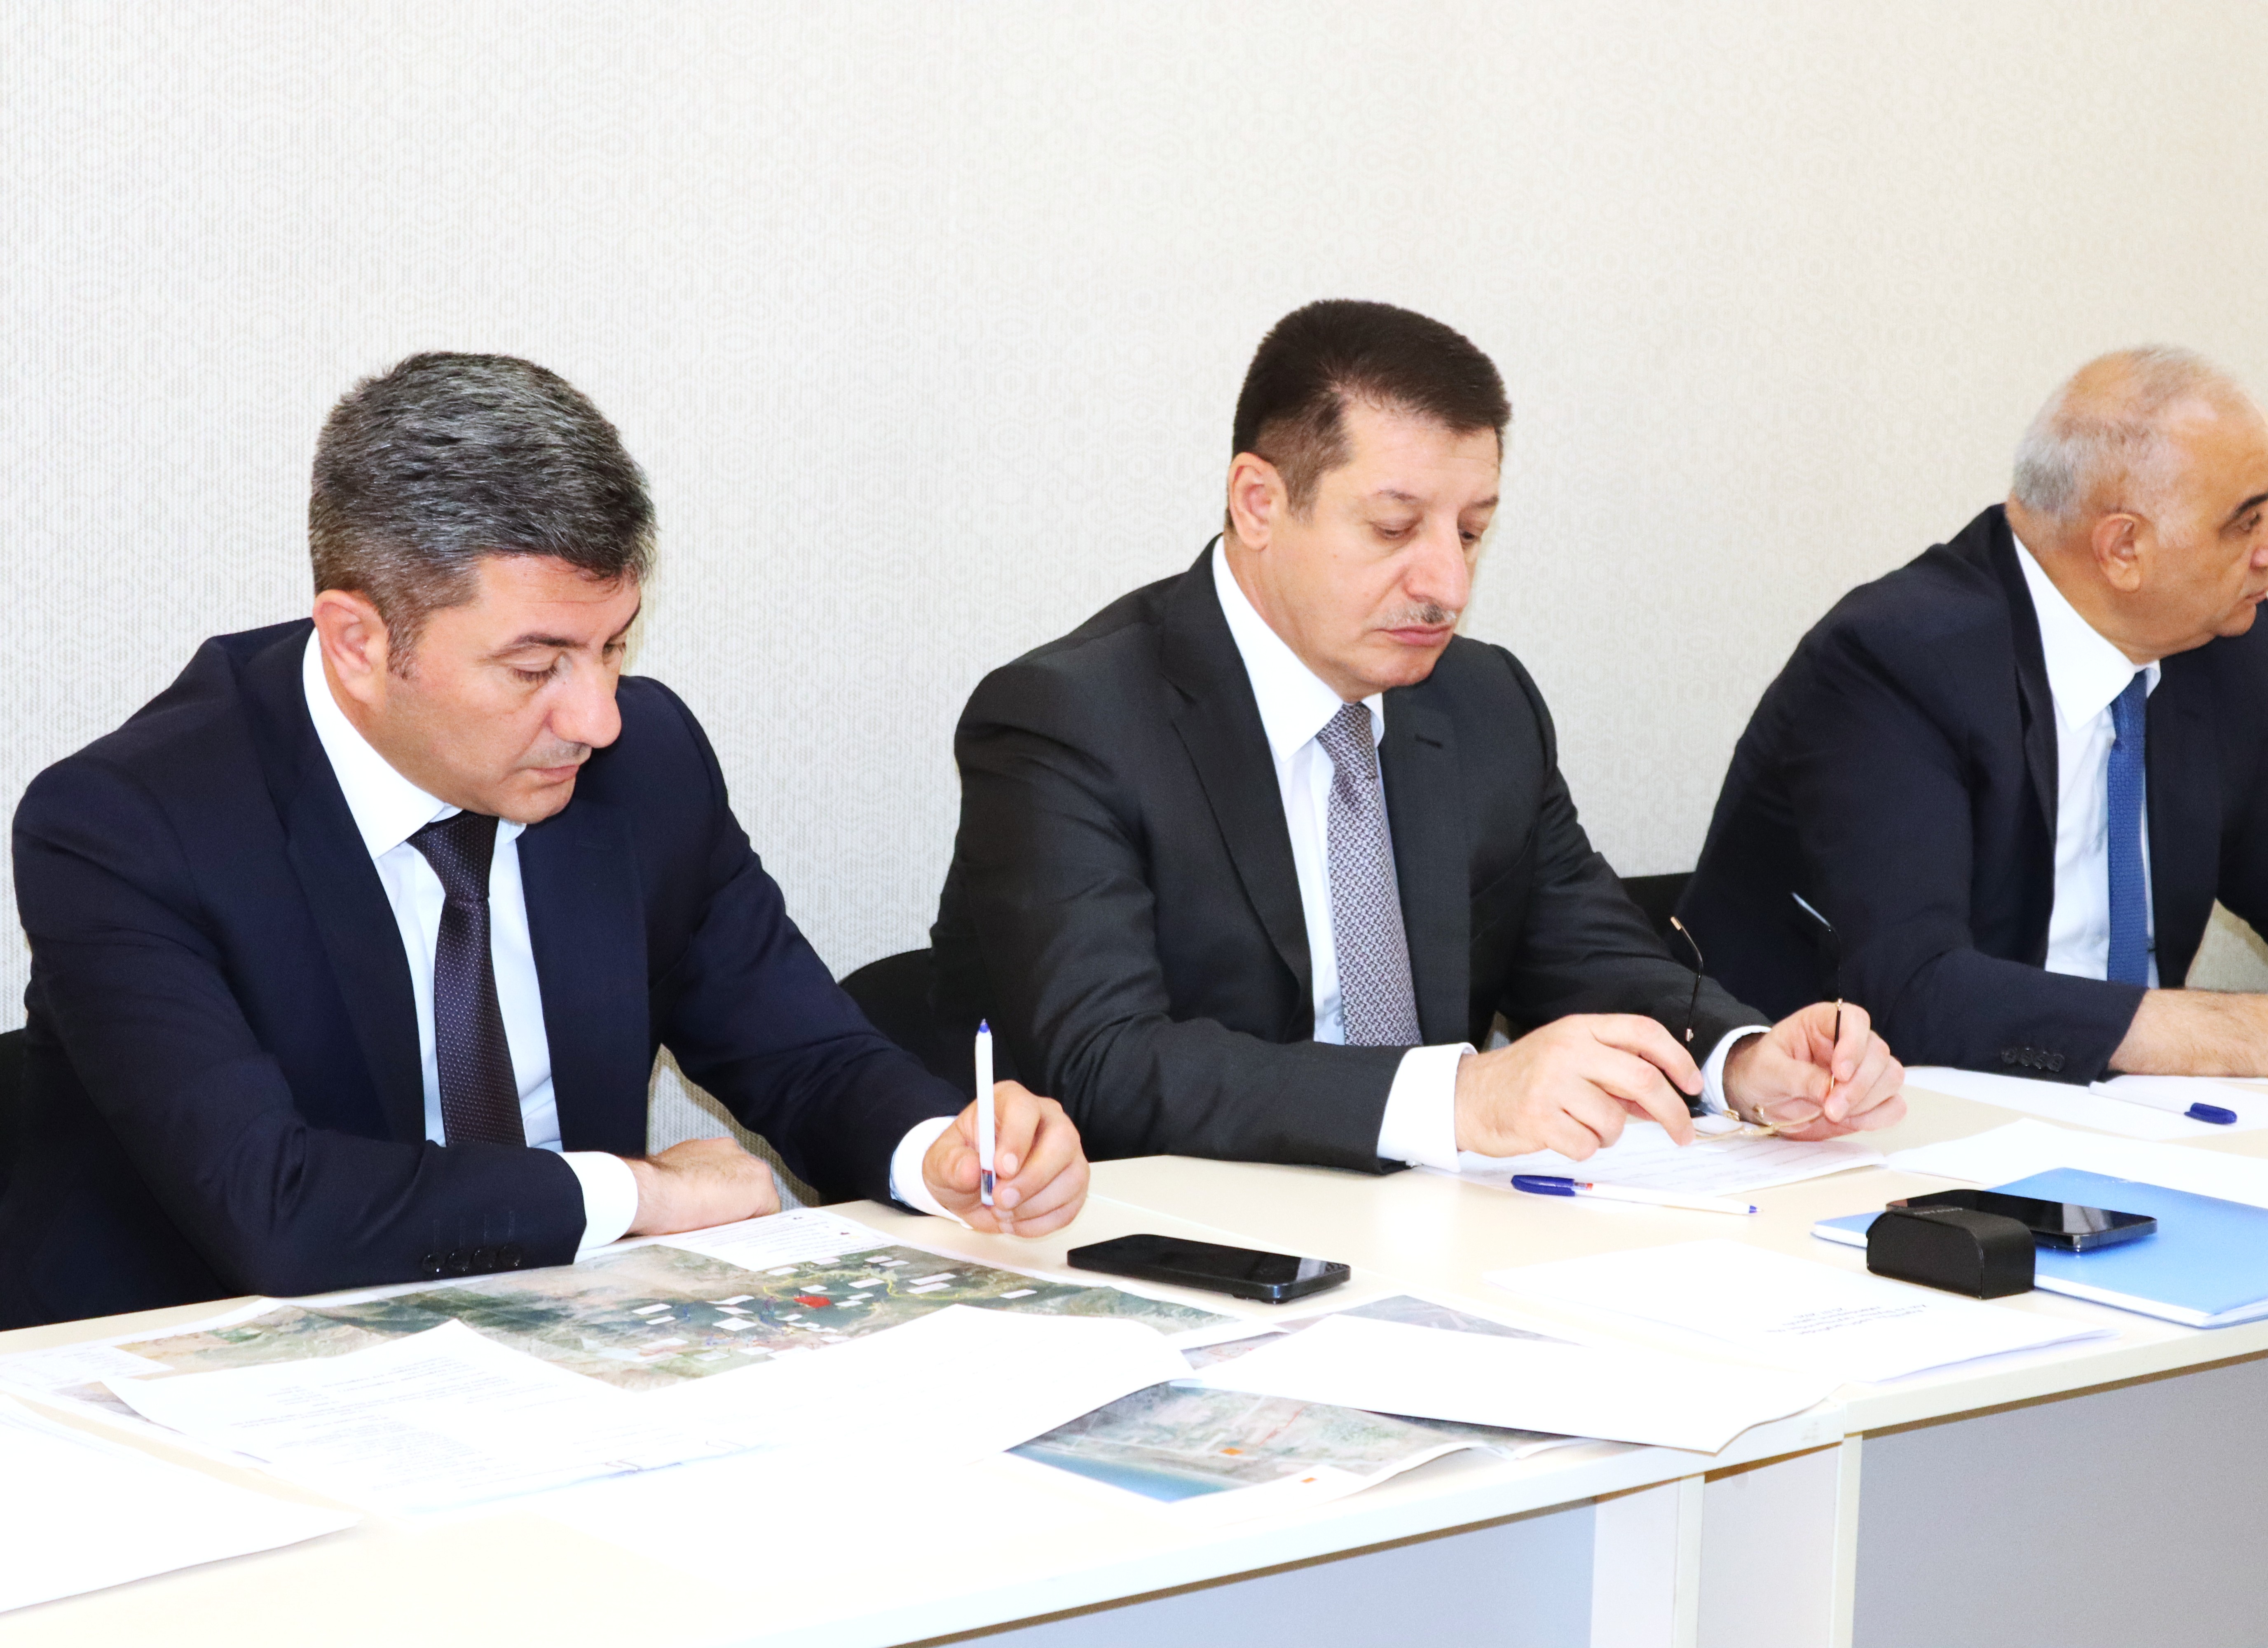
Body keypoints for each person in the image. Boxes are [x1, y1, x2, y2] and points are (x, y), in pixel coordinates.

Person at [2, 353, 1087, 1330]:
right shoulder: (126, 827)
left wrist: (938, 1151)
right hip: (194, 1377)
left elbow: (805, 1054)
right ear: (359, 642)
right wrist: (635, 1193)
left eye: (613, 647)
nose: (597, 717)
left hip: (572, 1348)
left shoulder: (645, 762)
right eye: (535, 667)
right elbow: (274, 1210)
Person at [932, 300, 1905, 1173]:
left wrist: (1741, 1057)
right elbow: (1105, 1060)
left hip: (1439, 1234)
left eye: (1471, 532)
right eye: (1396, 528)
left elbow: (1589, 952)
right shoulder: (1071, 720)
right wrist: (1459, 1097)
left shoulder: (1482, 701)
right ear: (1260, 502)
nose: (1448, 584)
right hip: (1175, 1236)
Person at [1680, 346, 2268, 1086]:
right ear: (2123, 548)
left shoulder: (2219, 646)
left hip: (2136, 1123)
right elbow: (1915, 992)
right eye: (2246, 521)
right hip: (1854, 1119)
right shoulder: (1897, 659)